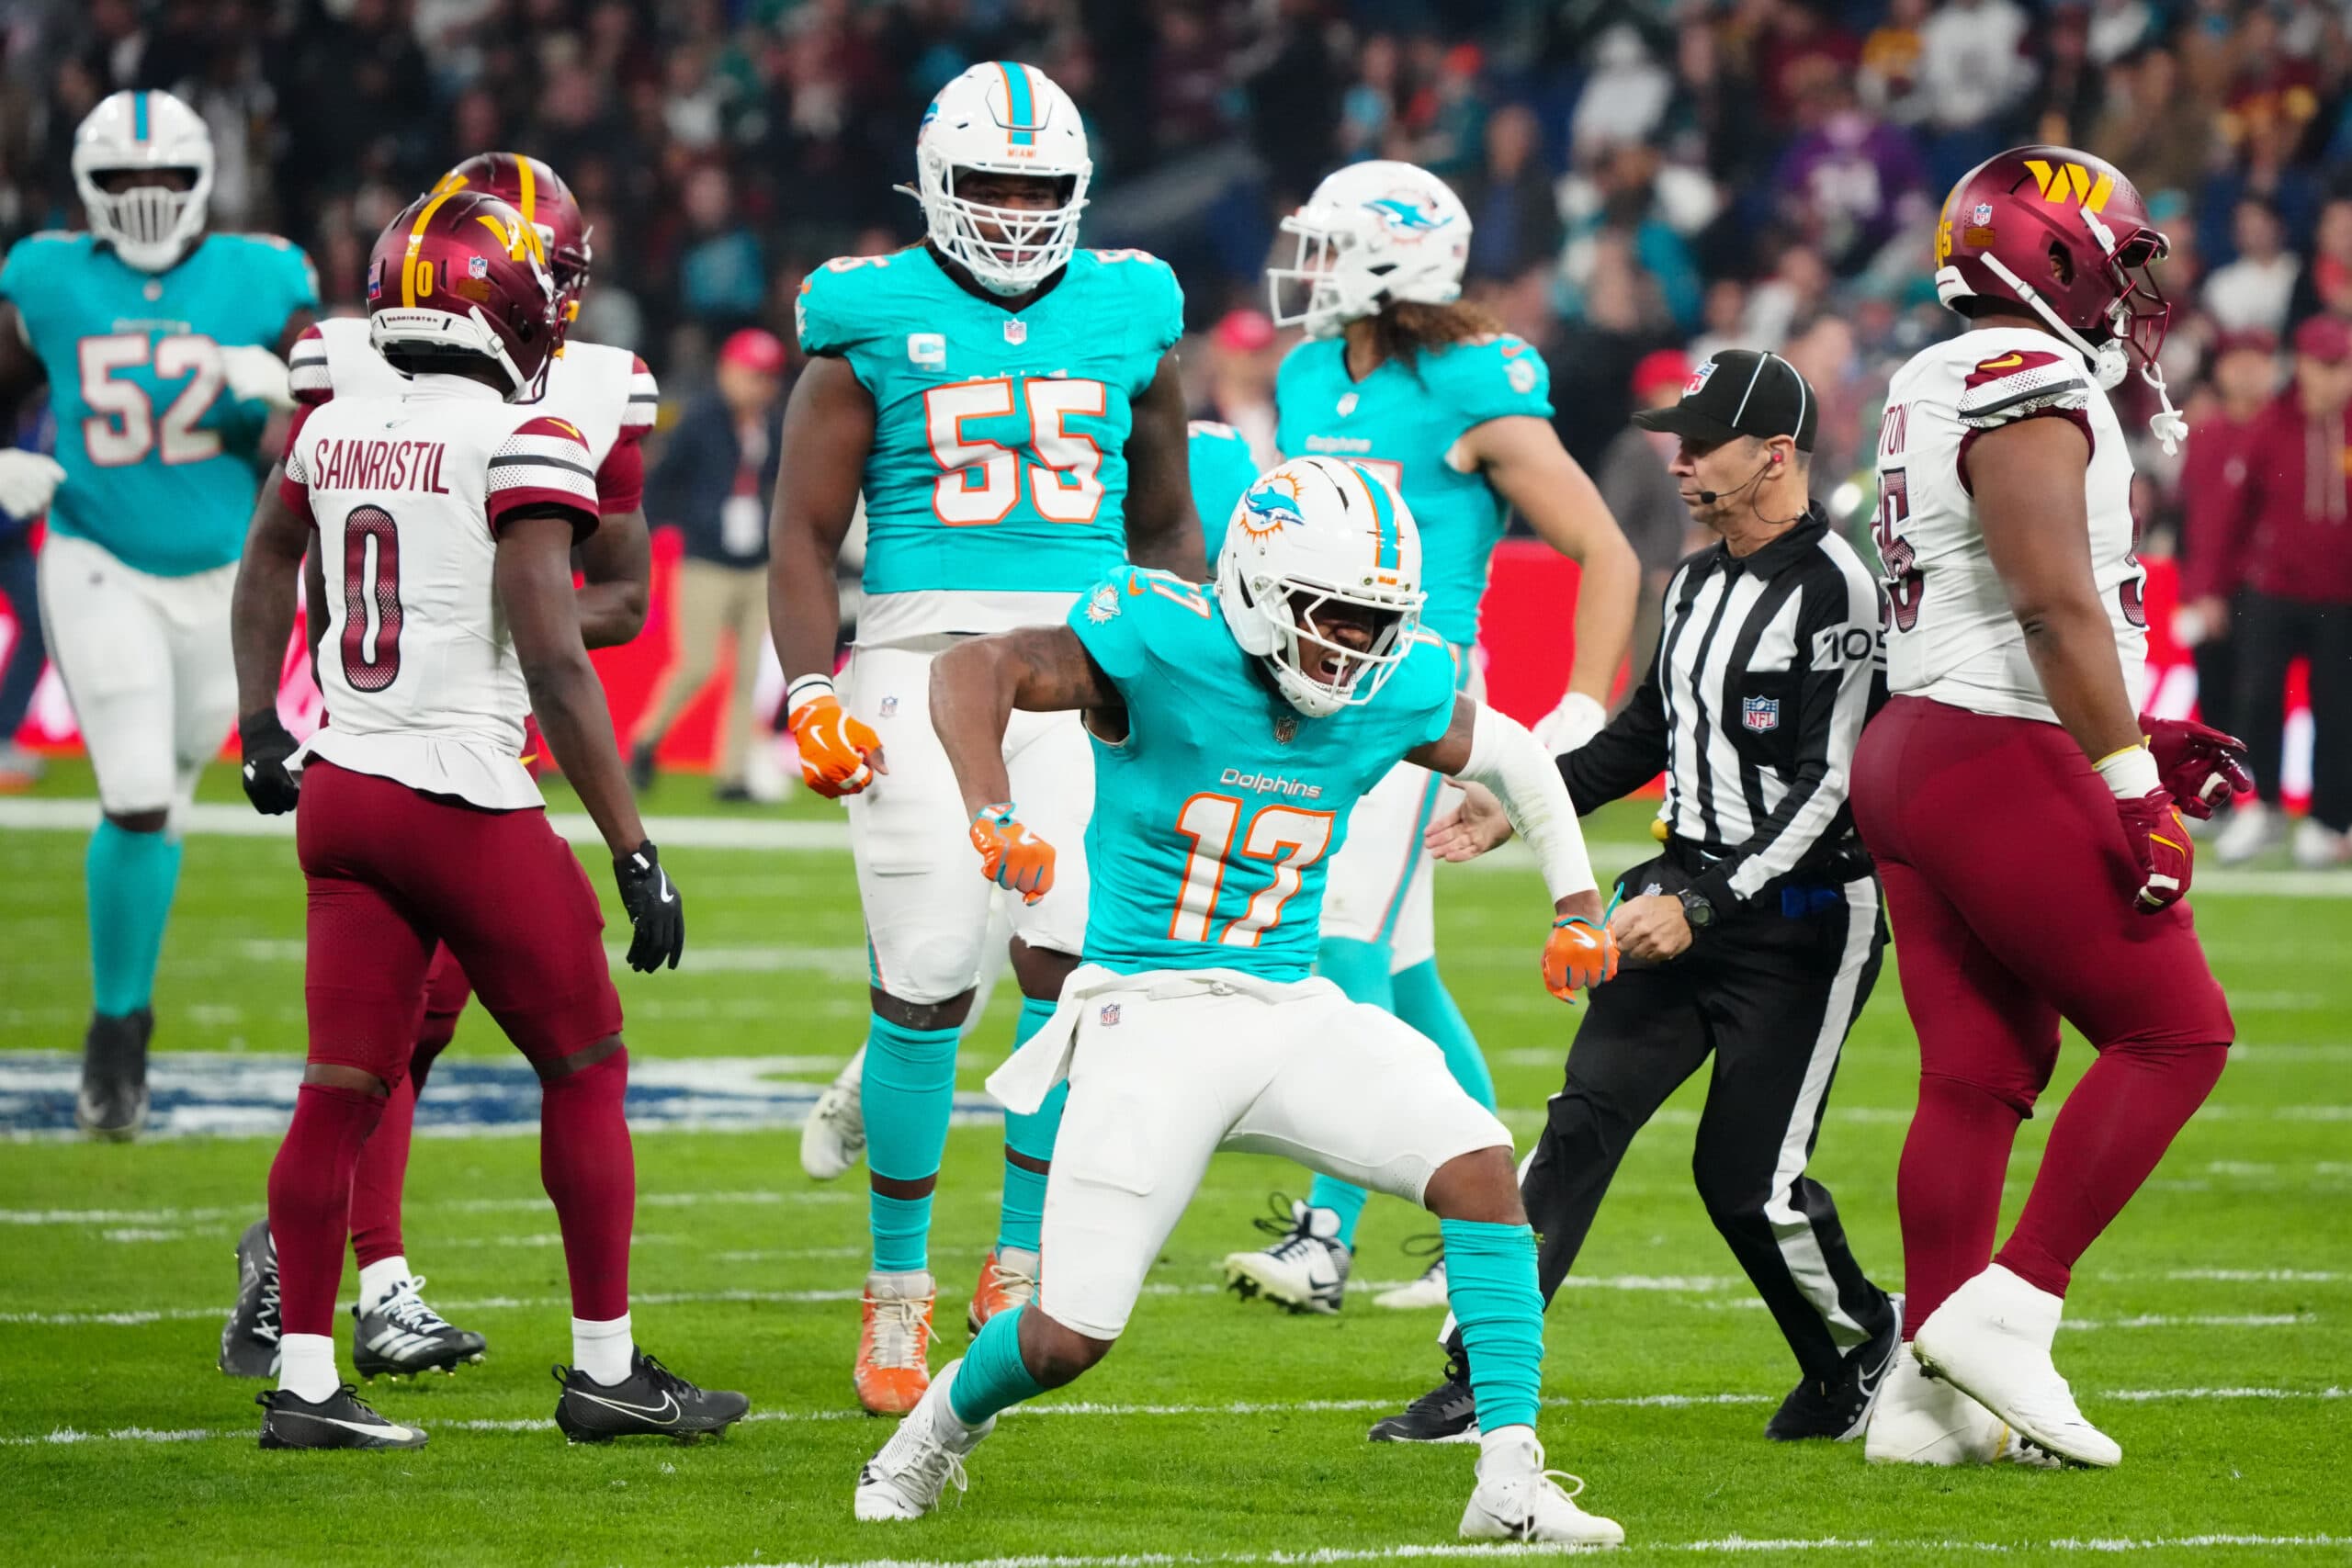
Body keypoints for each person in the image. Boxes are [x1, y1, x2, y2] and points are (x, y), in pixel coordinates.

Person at [851, 456, 1623, 1548]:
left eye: (1376, 621)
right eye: (1337, 616)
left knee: (1480, 1163)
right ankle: (927, 1436)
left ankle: (1507, 1476)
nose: (1358, 647)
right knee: (1071, 1335)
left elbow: (1512, 757)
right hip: (1144, 1014)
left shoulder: (1390, 684)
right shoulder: (1164, 642)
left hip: (1285, 1007)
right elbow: (973, 670)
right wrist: (992, 810)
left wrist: (1576, 898)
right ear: (1259, 587)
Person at [228, 188, 743, 1450]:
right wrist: (635, 845)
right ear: (507, 295)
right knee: (585, 1061)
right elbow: (560, 660)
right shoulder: (523, 433)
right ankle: (608, 1369)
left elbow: (264, 568)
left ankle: (304, 1383)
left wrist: (258, 727)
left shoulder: (335, 422)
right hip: (457, 786)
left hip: (341, 784)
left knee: (337, 1086)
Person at [768, 62, 1204, 1416]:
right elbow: (799, 528)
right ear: (934, 187)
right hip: (910, 663)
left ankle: (1016, 1256)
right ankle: (896, 1286)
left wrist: (1169, 653)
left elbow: (1170, 522)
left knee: (1076, 971)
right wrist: (806, 685)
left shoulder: (1133, 307)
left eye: (1039, 189)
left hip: (1078, 665)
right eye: (991, 186)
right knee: (929, 976)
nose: (1016, 213)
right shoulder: (868, 311)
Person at [1372, 350, 1903, 1448]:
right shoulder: (1697, 579)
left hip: (1802, 921)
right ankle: (1484, 1375)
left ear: (1775, 456)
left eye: (1704, 442)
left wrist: (1703, 905)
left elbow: (1831, 785)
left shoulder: (1840, 590)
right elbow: (1641, 737)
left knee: (1744, 1183)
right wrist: (1520, 804)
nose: (1681, 458)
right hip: (1685, 891)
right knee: (1576, 1127)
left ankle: (1858, 1346)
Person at [1854, 145, 2245, 1469]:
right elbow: (2045, 598)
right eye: (2120, 254)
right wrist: (2129, 787)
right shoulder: (2028, 374)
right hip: (1989, 743)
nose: (2133, 283)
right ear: (2054, 249)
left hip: (1925, 739)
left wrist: (2140, 729)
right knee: (2176, 1030)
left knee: (1977, 1074)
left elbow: (2005, 601)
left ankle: (1922, 1396)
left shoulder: (1932, 371)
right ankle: (2012, 1308)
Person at [1225, 158, 1638, 1314]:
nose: (1302, 270)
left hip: (1415, 694)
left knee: (1337, 941)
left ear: (1387, 255)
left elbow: (1606, 550)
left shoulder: (1473, 380)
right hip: (1309, 682)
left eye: (1327, 245)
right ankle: (1496, 1218)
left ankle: (1326, 1233)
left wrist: (1574, 712)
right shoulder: (1310, 372)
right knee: (1398, 970)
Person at [0, 89, 317, 1138]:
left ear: (200, 183)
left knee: (170, 793)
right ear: (88, 186)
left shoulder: (264, 275)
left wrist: (287, 388)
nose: (145, 199)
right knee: (134, 790)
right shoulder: (44, 277)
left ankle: (122, 1012)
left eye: (165, 180)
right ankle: (116, 1030)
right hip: (98, 555)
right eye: (125, 180)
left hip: (230, 575)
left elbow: (351, 408)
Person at [2209, 314, 2352, 869]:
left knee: (2338, 711)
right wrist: (2214, 589)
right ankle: (2257, 810)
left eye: (2342, 365)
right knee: (2257, 701)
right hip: (2271, 594)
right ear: (2304, 365)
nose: (2333, 378)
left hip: (2341, 599)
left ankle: (2329, 820)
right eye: (2325, 365)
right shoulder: (2272, 425)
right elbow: (2233, 516)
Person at [629, 326, 788, 801]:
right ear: (727, 371)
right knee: (696, 664)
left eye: (766, 377)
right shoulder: (699, 421)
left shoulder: (773, 427)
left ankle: (732, 774)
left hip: (757, 563)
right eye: (750, 374)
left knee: (747, 674)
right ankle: (645, 740)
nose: (757, 385)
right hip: (705, 561)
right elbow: (662, 484)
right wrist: (669, 531)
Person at [2172, 329, 2279, 784]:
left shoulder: (2282, 430)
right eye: (2237, 361)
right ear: (2220, 370)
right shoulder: (2207, 434)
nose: (2247, 371)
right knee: (2215, 691)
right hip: (2215, 587)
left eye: (2257, 360)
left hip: (2268, 588)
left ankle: (2264, 791)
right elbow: (2195, 519)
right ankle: (2224, 791)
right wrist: (2200, 592)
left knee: (2261, 693)